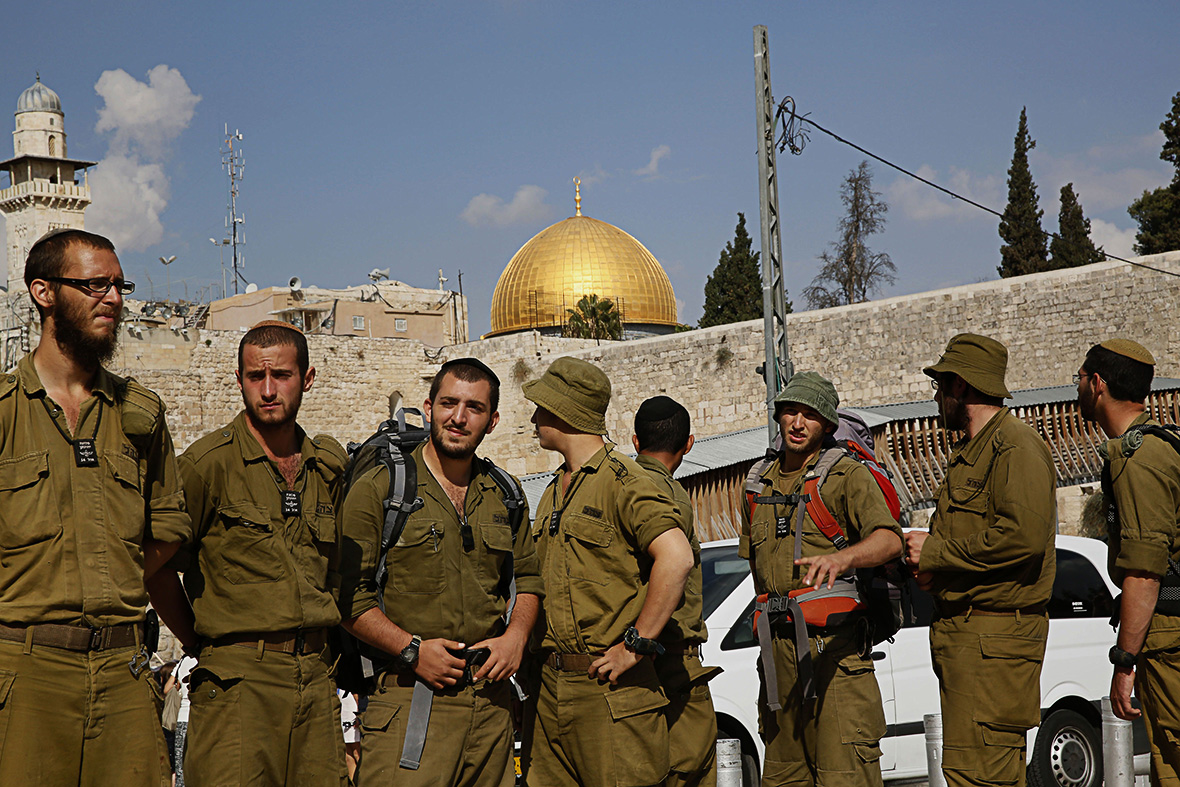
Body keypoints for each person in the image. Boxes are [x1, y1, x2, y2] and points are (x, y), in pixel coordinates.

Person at [0, 229, 190, 786]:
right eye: (94, 285)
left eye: (118, 284)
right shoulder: (7, 414)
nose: (114, 298)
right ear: (43, 292)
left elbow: (169, 528)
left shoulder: (139, 413)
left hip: (124, 671)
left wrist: (115, 573)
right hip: (27, 673)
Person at [152, 320, 349, 786]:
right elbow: (155, 567)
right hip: (239, 683)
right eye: (254, 377)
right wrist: (198, 641)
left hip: (317, 682)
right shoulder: (206, 466)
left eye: (280, 376)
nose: (267, 390)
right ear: (239, 380)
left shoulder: (327, 469)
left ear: (308, 378)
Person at [338, 358, 541, 787]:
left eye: (474, 408)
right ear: (429, 408)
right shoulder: (381, 489)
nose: (459, 418)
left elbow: (528, 579)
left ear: (493, 420)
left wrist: (516, 638)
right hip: (410, 702)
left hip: (491, 709)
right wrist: (412, 649)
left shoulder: (504, 493)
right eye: (448, 403)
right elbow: (345, 598)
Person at [520, 356, 694, 787]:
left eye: (541, 406)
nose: (534, 417)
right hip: (551, 692)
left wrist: (636, 644)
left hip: (612, 696)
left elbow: (677, 557)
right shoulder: (553, 491)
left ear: (565, 411)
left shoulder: (625, 480)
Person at [904, 334, 1056, 787]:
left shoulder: (1015, 447)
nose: (935, 398)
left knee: (982, 778)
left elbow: (1022, 538)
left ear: (962, 387)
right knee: (969, 774)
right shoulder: (974, 450)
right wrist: (936, 571)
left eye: (940, 385)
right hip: (971, 639)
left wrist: (935, 552)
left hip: (994, 642)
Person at [740, 372, 902, 787]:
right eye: (790, 411)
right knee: (784, 779)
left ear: (827, 425)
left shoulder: (846, 476)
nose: (797, 423)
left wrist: (843, 558)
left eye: (810, 415)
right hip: (777, 663)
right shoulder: (757, 483)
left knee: (845, 777)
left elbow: (889, 540)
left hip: (835, 658)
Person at [1076, 338, 1180, 782]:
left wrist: (1124, 662)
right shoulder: (1153, 447)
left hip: (1170, 639)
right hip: (1166, 636)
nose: (1076, 387)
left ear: (1098, 384)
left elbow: (1144, 572)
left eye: (1079, 378)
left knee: (1173, 757)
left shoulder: (1141, 460)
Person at [632, 395, 720, 787]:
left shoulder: (619, 483)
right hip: (670, 662)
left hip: (631, 662)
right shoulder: (667, 495)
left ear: (636, 442)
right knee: (688, 770)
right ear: (689, 444)